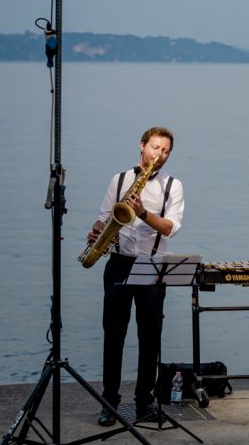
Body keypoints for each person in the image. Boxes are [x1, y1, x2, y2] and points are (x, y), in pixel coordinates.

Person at [89, 127, 184, 426]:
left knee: (149, 336)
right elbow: (104, 216)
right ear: (142, 146)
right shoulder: (119, 180)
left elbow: (169, 227)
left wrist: (143, 213)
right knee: (113, 334)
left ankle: (145, 401)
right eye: (155, 148)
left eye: (166, 151)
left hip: (152, 265)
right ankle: (110, 401)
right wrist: (95, 231)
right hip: (118, 262)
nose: (160, 155)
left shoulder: (173, 186)